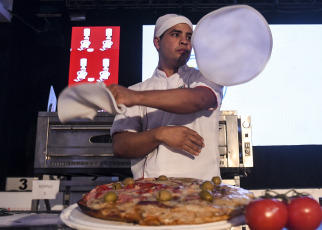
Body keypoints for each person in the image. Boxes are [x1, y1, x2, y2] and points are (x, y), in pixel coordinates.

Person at [108, 14, 223, 180]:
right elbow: (120, 146)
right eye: (176, 34)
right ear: (157, 42)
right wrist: (159, 134)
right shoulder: (138, 89)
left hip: (201, 188)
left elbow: (197, 100)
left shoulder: (207, 78)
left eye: (189, 37)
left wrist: (135, 97)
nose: (184, 41)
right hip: (149, 192)